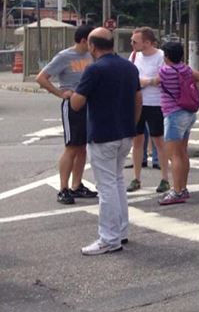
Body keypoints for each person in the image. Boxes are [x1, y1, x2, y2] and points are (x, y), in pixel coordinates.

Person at [69, 27, 141, 255]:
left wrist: (71, 94)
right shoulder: (129, 67)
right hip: (125, 133)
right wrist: (132, 125)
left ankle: (109, 238)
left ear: (92, 46)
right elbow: (138, 99)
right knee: (117, 181)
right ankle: (120, 231)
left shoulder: (94, 69)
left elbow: (77, 104)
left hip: (102, 134)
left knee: (107, 186)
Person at [37, 24, 97, 205]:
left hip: (90, 105)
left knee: (82, 147)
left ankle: (77, 185)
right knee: (72, 146)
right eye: (92, 41)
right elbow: (41, 78)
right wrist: (61, 93)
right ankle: (63, 188)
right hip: (72, 106)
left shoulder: (91, 55)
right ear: (84, 40)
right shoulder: (65, 56)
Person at [156, 41, 199, 205]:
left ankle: (177, 191)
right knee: (183, 153)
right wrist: (194, 90)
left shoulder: (165, 71)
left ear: (167, 56)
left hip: (173, 115)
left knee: (174, 155)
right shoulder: (185, 69)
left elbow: (154, 80)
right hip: (188, 113)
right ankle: (182, 187)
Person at [126, 27, 169, 193]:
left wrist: (145, 81)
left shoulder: (161, 56)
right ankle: (136, 178)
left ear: (148, 42)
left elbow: (162, 78)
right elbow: (132, 78)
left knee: (159, 140)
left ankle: (165, 178)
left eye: (135, 41)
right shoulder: (134, 56)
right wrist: (148, 81)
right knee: (137, 141)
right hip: (138, 102)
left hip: (156, 103)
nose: (132, 44)